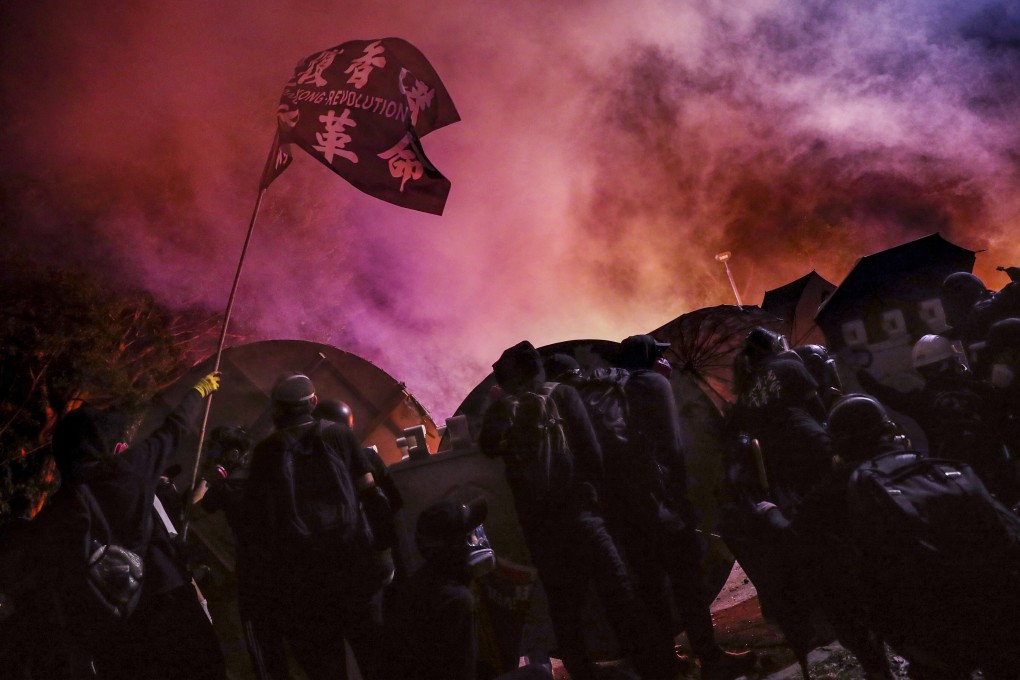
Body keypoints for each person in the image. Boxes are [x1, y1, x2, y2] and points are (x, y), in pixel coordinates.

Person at [479, 341, 678, 680]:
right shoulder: (563, 395)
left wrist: (499, 406)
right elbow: (592, 454)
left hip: (539, 527)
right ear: (537, 368)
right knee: (618, 590)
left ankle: (581, 671)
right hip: (582, 515)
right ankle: (654, 669)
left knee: (563, 604)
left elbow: (487, 448)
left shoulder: (503, 410)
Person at [38, 372, 227, 680]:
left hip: (116, 628)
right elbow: (174, 428)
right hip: (166, 599)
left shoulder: (56, 512)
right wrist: (198, 390)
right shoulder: (126, 472)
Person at [611, 335, 756, 680]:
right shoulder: (651, 384)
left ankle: (666, 663)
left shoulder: (615, 392)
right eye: (659, 356)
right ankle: (710, 658)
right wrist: (682, 503)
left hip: (629, 513)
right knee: (687, 583)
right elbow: (670, 448)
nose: (666, 363)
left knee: (651, 589)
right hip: (663, 507)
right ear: (646, 359)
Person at [243, 373, 394, 680]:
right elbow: (372, 495)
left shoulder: (266, 453)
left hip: (304, 583)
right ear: (313, 402)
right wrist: (384, 551)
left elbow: (259, 527)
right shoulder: (339, 435)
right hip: (355, 567)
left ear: (278, 408)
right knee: (376, 658)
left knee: (325, 668)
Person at [192, 425, 287, 680]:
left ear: (232, 455)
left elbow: (194, 510)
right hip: (284, 565)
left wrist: (207, 478)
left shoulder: (227, 488)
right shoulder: (266, 476)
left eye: (216, 453)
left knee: (262, 643)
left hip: (253, 574)